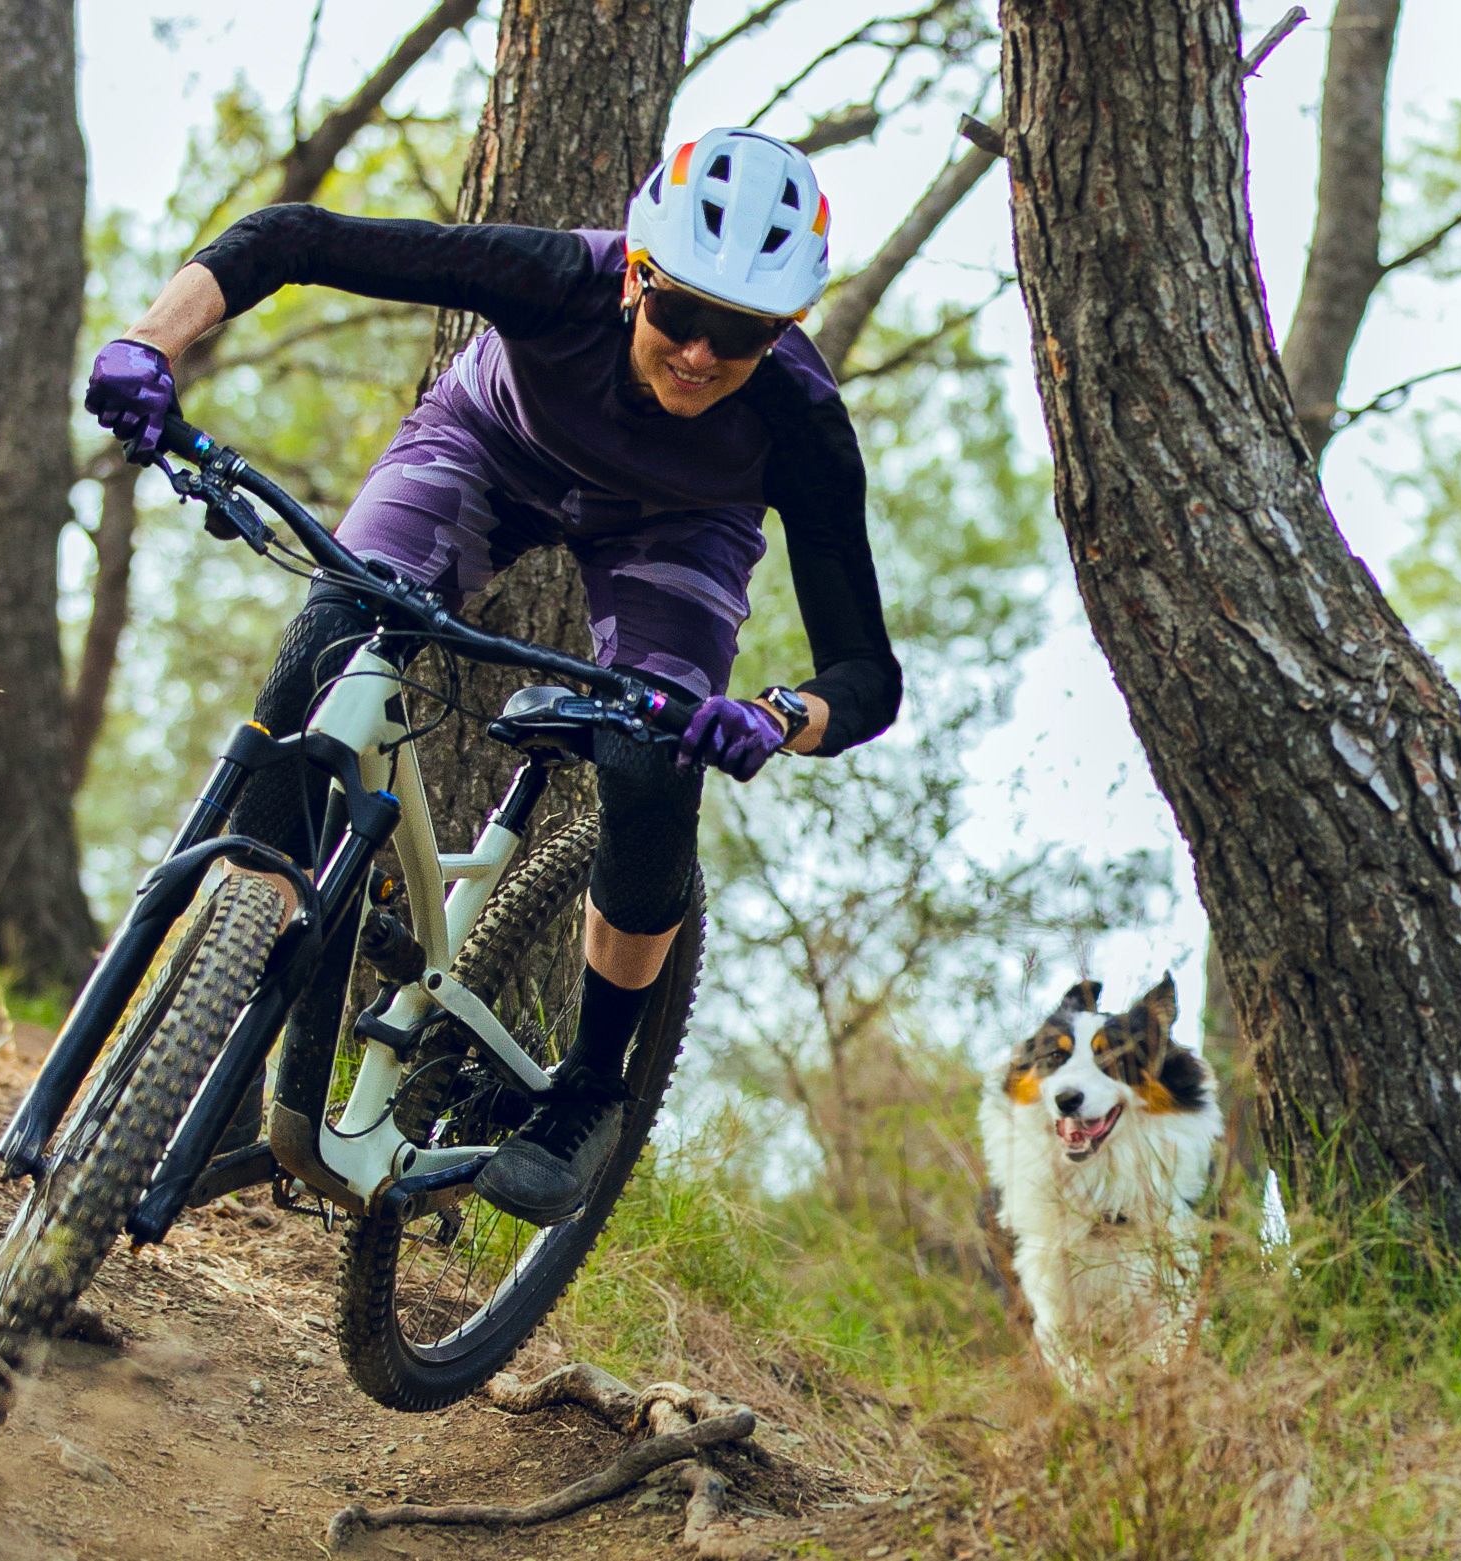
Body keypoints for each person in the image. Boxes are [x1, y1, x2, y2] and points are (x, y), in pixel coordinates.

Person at [83, 129, 900, 1226]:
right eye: (681, 314)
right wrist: (147, 344)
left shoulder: (800, 422)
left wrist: (776, 715)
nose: (704, 354)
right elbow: (291, 239)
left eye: (744, 333)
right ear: (635, 279)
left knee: (653, 763)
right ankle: (239, 992)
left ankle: (588, 1091)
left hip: (679, 526)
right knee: (332, 630)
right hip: (486, 446)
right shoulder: (556, 275)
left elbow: (867, 674)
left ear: (785, 329)